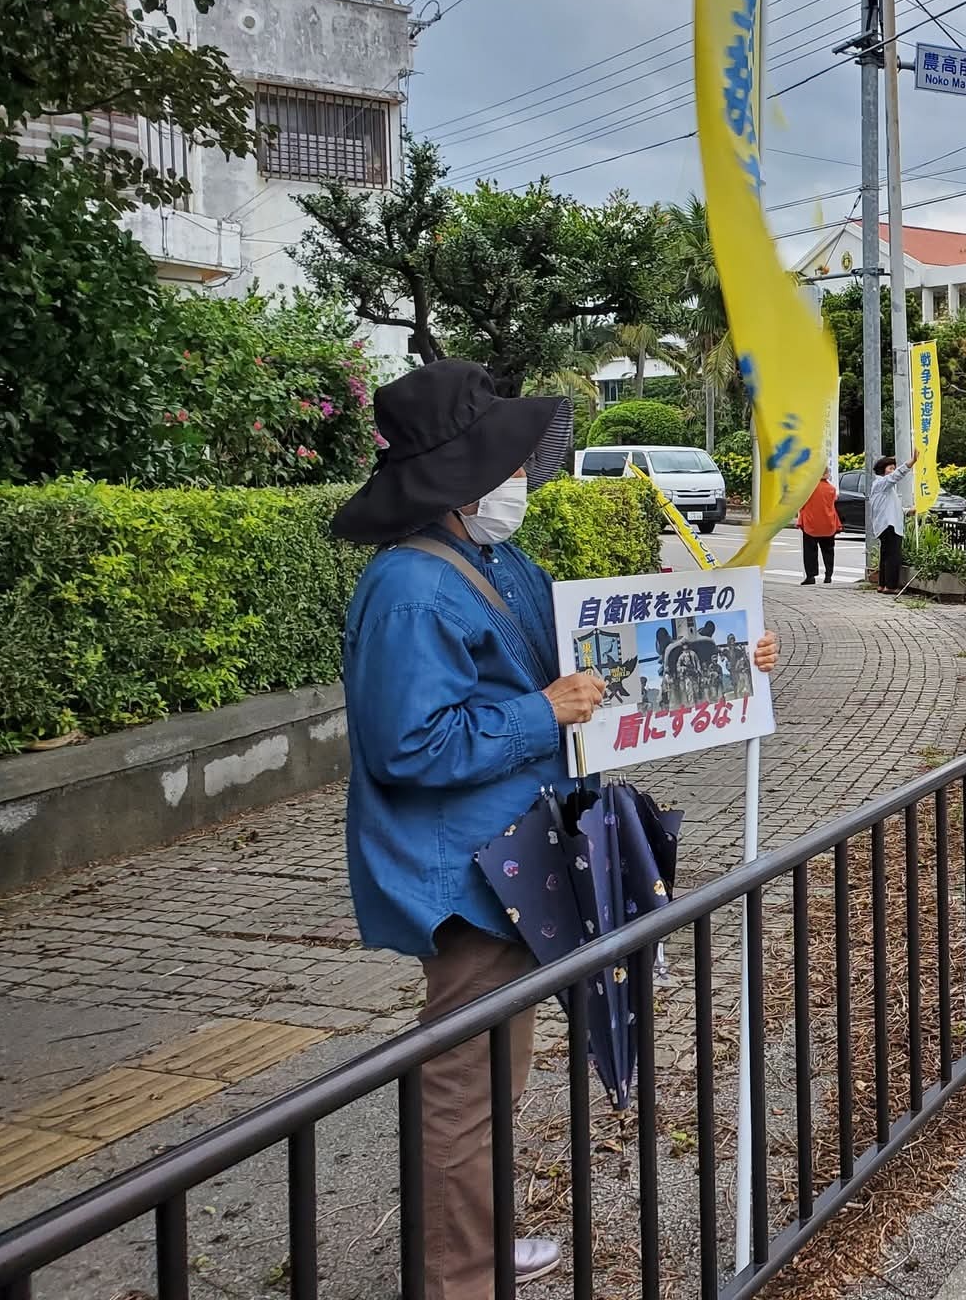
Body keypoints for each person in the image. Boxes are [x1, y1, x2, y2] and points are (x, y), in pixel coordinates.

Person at [331, 360, 778, 1300]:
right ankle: (460, 1276)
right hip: (466, 874)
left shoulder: (495, 562)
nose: (520, 481)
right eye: (503, 463)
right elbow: (409, 746)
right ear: (458, 483)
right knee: (466, 1081)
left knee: (500, 1067)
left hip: (517, 859)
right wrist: (543, 713)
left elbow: (589, 660)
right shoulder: (410, 591)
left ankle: (477, 1248)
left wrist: (733, 655)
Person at [867, 449, 915, 593]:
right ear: (882, 470)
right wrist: (910, 463)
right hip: (889, 525)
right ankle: (891, 586)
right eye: (890, 468)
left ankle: (882, 585)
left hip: (886, 524)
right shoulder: (881, 483)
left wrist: (907, 511)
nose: (893, 471)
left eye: (894, 468)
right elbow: (895, 476)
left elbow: (891, 508)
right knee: (893, 555)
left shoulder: (885, 488)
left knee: (886, 555)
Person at [797, 472, 840, 585]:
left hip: (811, 523)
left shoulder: (809, 488)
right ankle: (828, 575)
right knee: (828, 551)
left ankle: (811, 576)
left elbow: (801, 503)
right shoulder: (831, 488)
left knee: (810, 551)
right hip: (828, 523)